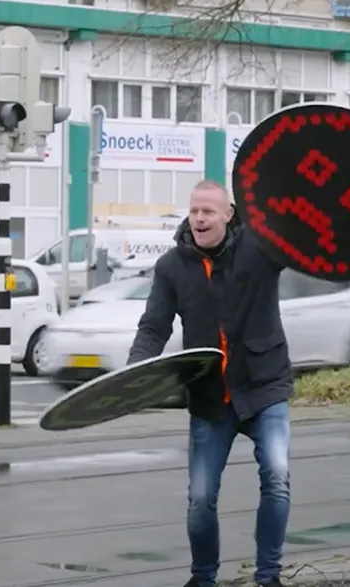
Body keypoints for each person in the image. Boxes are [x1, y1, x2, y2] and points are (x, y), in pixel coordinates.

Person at [127, 179, 291, 587]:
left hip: (263, 386)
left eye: (208, 211)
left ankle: (268, 576)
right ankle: (203, 579)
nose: (199, 218)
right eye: (194, 211)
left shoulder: (261, 248)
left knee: (277, 477)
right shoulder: (172, 267)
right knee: (200, 499)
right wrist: (133, 374)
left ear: (228, 214)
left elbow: (305, 241)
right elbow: (153, 328)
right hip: (209, 397)